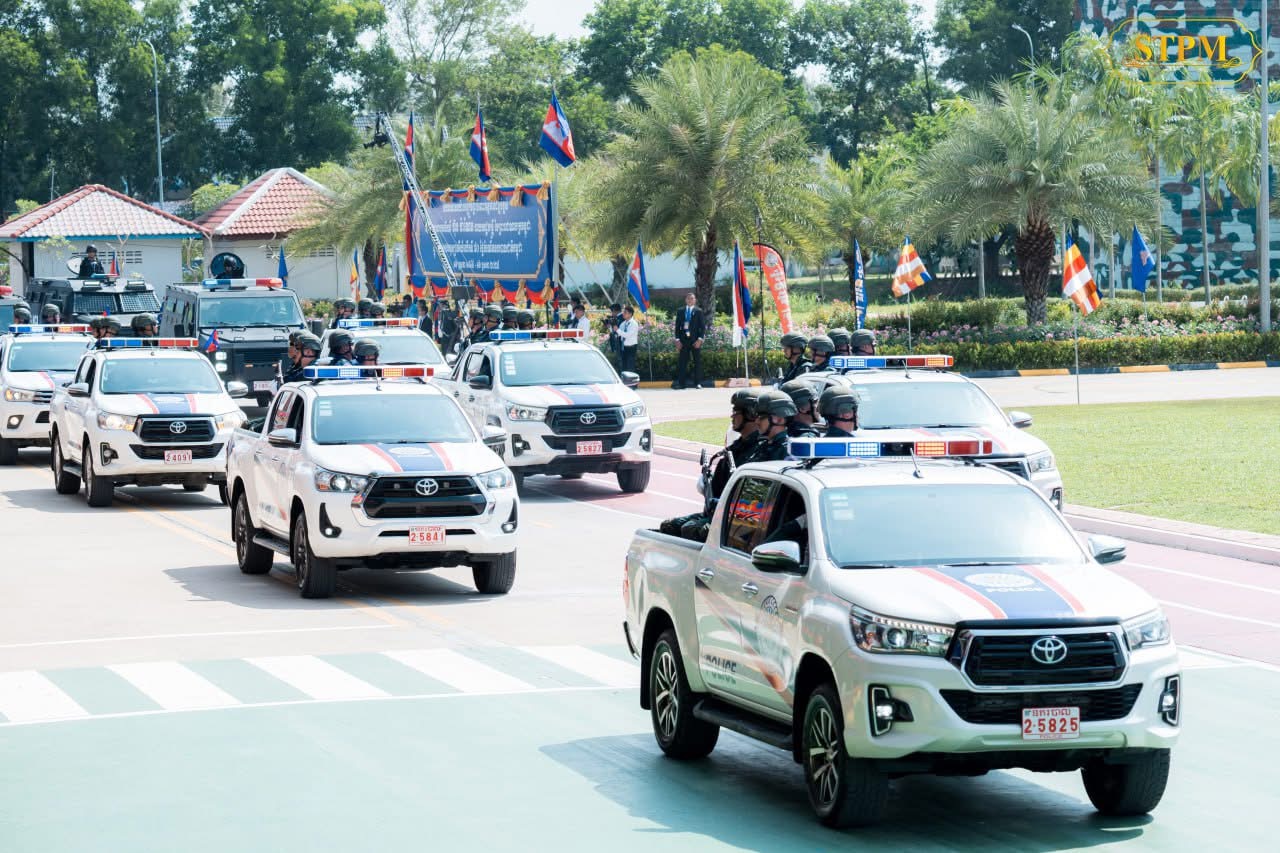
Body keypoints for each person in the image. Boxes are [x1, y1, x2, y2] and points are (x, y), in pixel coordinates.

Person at [660, 388, 763, 540]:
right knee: (669, 526)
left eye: (736, 411)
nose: (732, 416)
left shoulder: (759, 451)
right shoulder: (737, 447)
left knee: (691, 529)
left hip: (739, 519)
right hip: (719, 513)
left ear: (750, 414)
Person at [746, 390, 797, 462]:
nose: (756, 421)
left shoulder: (787, 451)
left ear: (779, 420)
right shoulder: (764, 446)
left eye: (761, 417)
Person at [673, 293, 705, 389]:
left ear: (695, 300)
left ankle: (698, 383)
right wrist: (677, 340)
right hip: (683, 341)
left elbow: (702, 327)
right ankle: (681, 383)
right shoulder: (680, 311)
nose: (690, 300)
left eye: (692, 298)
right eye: (688, 298)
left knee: (697, 362)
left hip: (695, 341)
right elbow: (677, 327)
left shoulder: (699, 311)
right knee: (682, 362)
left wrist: (700, 340)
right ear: (685, 300)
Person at [618, 305, 639, 373]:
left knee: (630, 367)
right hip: (623, 347)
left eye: (625, 312)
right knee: (624, 367)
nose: (623, 314)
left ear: (630, 314)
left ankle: (631, 379)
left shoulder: (634, 324)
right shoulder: (623, 324)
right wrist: (611, 327)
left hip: (631, 348)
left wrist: (617, 330)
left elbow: (627, 335)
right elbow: (618, 334)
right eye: (623, 312)